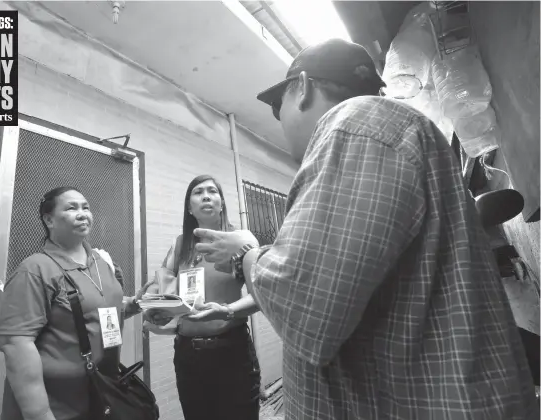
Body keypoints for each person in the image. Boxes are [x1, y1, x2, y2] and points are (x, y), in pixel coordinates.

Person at [191, 39, 539, 420]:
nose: (281, 120)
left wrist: (245, 254)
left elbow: (307, 308)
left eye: (279, 108)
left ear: (303, 87)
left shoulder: (355, 125)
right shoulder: (394, 134)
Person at [0, 187, 149, 420]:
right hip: (58, 405)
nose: (82, 213)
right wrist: (39, 414)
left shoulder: (101, 262)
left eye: (85, 207)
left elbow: (98, 311)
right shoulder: (35, 269)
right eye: (71, 208)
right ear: (49, 219)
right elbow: (16, 343)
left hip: (101, 395)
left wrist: (134, 305)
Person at [148, 175, 261, 420]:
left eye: (213, 191)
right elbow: (163, 289)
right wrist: (157, 310)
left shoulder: (240, 240)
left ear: (221, 203)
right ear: (189, 208)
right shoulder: (180, 245)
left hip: (232, 351)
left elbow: (260, 297)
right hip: (188, 355)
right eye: (198, 192)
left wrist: (227, 310)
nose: (206, 196)